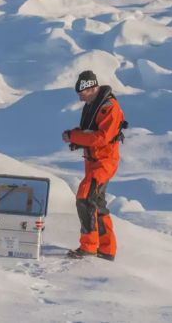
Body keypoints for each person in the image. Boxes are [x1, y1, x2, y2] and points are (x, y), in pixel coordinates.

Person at [61, 71, 127, 261]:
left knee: (85, 196)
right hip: (93, 161)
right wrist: (77, 140)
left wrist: (74, 136)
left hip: (104, 162)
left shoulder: (109, 107)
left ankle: (89, 246)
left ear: (92, 88)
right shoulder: (93, 105)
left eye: (82, 92)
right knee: (97, 204)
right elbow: (90, 132)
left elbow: (101, 138)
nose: (80, 97)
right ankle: (107, 250)